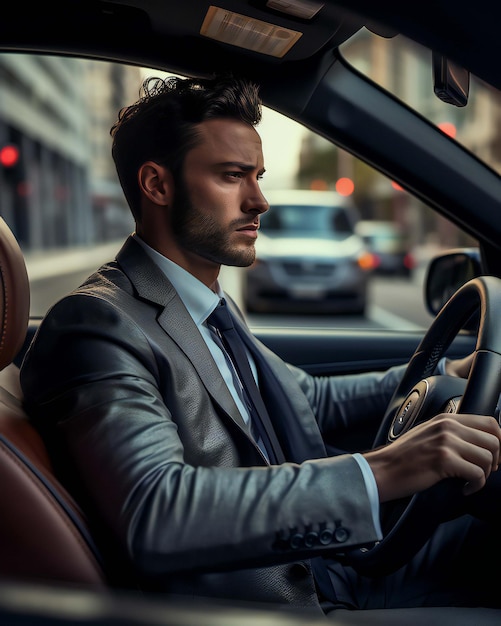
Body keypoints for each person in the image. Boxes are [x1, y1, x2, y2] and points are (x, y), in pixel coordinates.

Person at [19, 74, 501, 615]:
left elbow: (306, 399)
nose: (260, 200)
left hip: (330, 566)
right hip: (276, 604)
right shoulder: (96, 324)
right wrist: (386, 469)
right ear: (157, 185)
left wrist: (452, 371)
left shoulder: (207, 306)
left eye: (258, 176)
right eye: (232, 177)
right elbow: (158, 512)